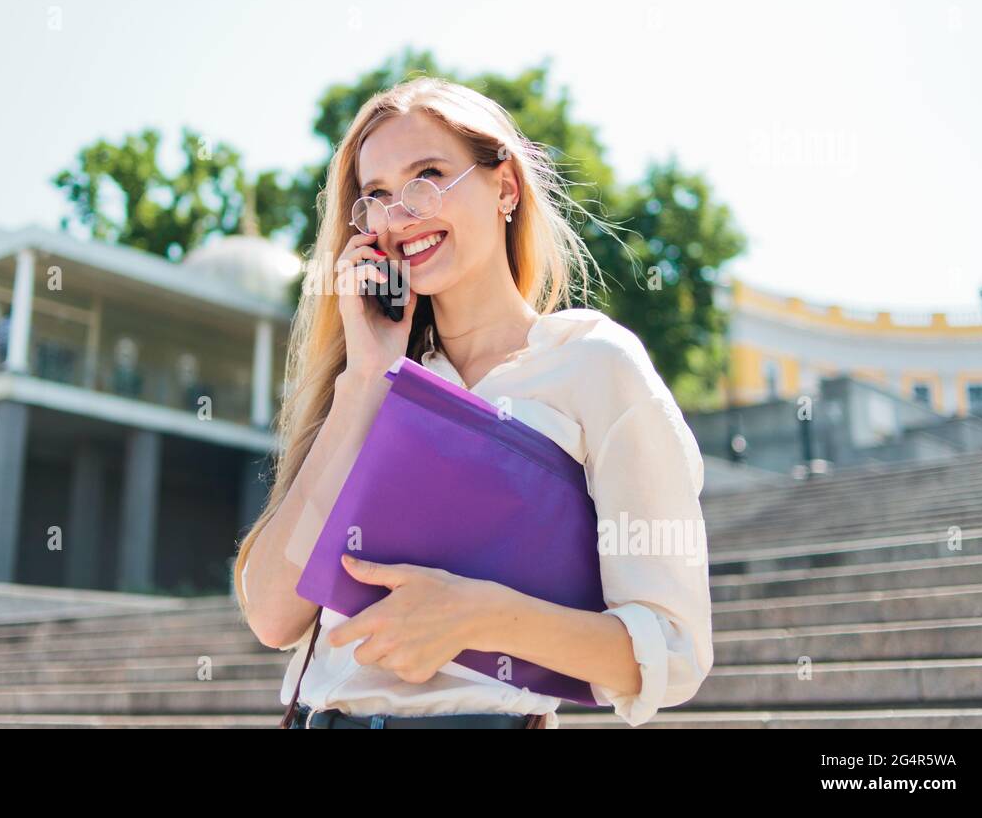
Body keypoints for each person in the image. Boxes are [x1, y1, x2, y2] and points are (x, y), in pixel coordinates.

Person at [234, 76, 713, 729]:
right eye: (375, 195)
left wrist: (479, 614)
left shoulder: (595, 364)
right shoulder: (372, 375)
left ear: (505, 187)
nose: (399, 212)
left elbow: (674, 650)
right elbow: (270, 612)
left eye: (428, 174)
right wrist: (368, 376)